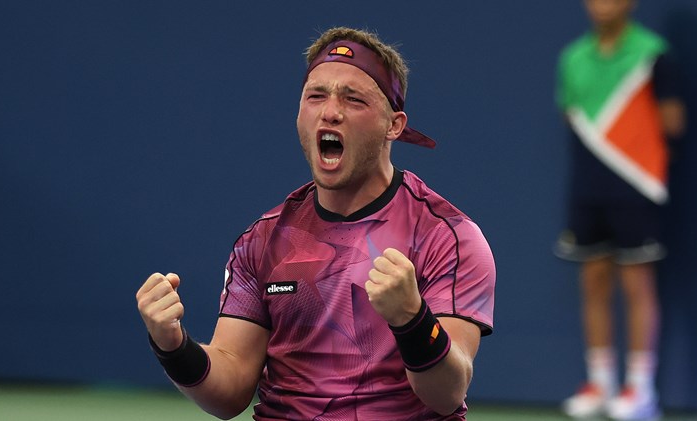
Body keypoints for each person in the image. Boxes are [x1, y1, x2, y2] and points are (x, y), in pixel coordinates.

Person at [136, 27, 496, 420]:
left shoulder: (448, 236)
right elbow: (230, 388)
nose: (330, 111)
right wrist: (172, 344)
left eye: (354, 99)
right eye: (316, 96)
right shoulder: (262, 239)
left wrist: (412, 320)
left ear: (394, 125)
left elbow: (447, 393)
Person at [554, 1, 687, 420]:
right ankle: (600, 382)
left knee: (637, 286)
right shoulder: (572, 56)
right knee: (593, 282)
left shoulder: (653, 53)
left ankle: (641, 390)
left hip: (636, 187)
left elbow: (673, 122)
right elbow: (570, 117)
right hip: (588, 189)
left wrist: (634, 153)